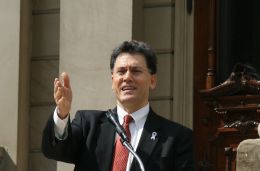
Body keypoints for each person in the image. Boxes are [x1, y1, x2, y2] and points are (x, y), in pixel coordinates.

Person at [42, 40, 195, 171]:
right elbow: (55, 151)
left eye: (136, 71)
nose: (127, 77)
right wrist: (62, 114)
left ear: (152, 81)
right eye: (121, 72)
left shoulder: (177, 138)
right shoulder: (88, 124)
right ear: (112, 80)